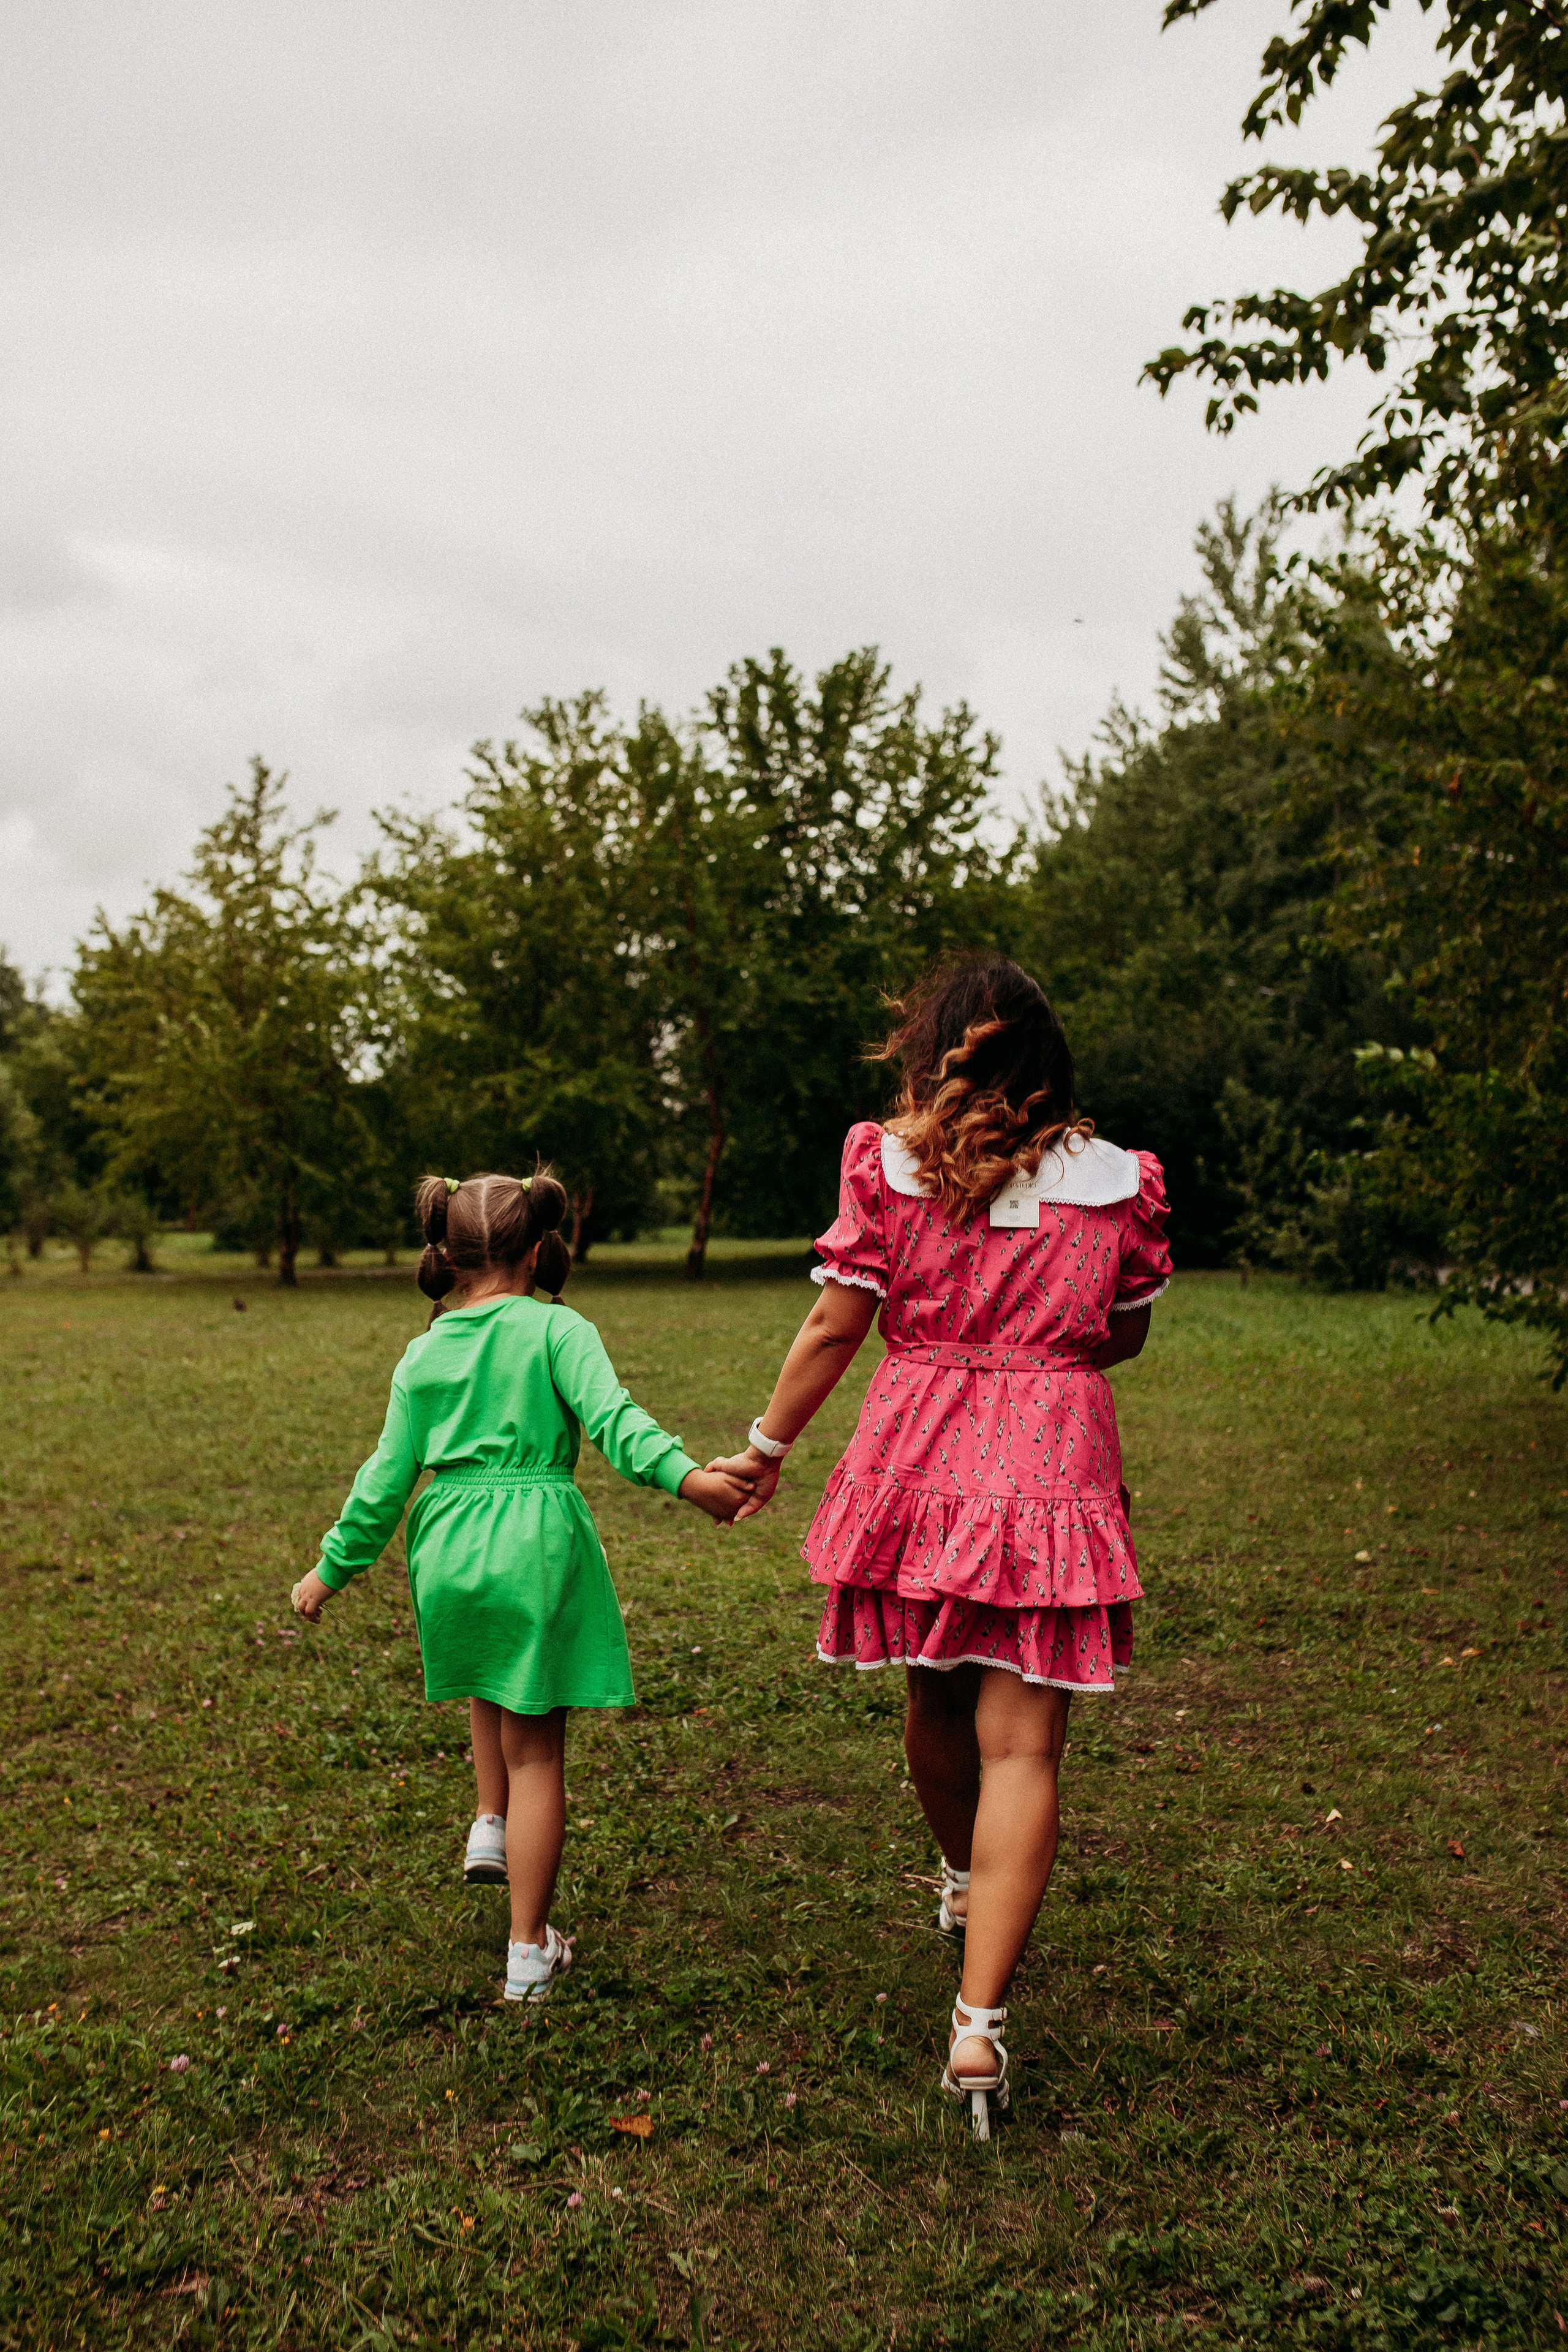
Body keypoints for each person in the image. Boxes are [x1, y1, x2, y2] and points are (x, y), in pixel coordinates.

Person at [707, 957, 1170, 2136]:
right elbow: (1122, 1337)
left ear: (937, 1055)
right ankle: (977, 2028)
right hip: (1052, 1457)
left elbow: (834, 1322)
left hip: (920, 1449)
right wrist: (1036, 1356)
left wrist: (764, 1446)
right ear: (1053, 1065)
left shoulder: (894, 1166)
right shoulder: (1117, 1185)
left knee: (935, 1689)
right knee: (1028, 1750)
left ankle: (963, 1879)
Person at [291, 1169, 755, 2002]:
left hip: (450, 1553)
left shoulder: (424, 1352)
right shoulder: (556, 1330)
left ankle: (489, 1823)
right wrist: (693, 1482)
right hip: (532, 1545)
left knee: (487, 1679)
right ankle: (529, 1949)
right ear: (537, 1250)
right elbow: (618, 1425)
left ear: (452, 1254)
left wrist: (332, 1568)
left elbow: (385, 1479)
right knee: (537, 1749)